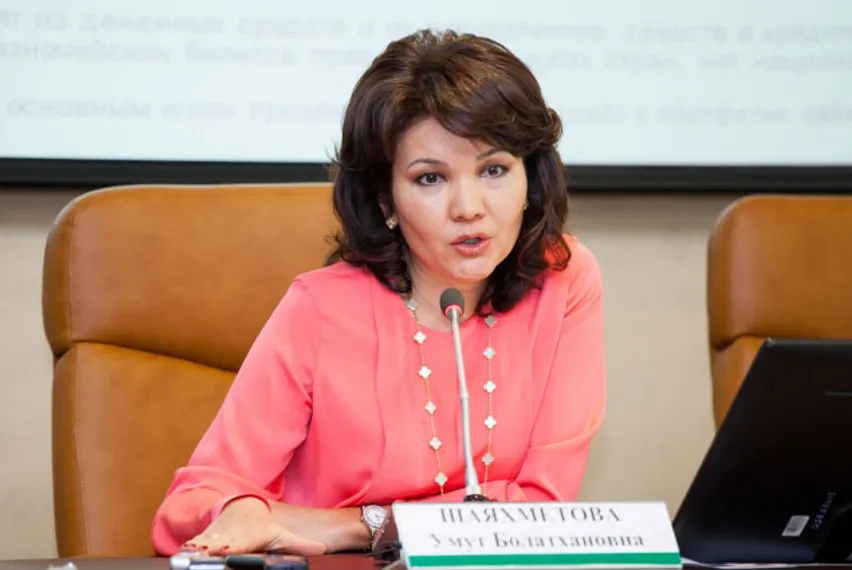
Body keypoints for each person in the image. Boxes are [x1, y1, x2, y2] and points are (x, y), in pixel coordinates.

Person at [151, 28, 606, 557]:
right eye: (430, 178)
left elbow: (542, 510)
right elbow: (189, 507)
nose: (468, 207)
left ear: (532, 180)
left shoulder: (563, 280)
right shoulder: (321, 309)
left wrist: (355, 526)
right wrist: (237, 510)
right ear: (384, 198)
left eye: (494, 170)